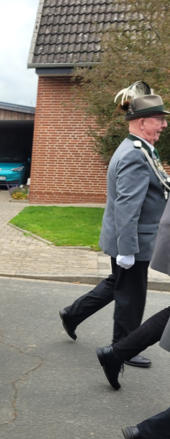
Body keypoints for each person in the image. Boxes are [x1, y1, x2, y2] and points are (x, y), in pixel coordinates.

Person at [59, 85, 170, 368]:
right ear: (142, 122)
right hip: (133, 240)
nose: (164, 125)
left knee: (118, 284)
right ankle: (123, 349)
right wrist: (127, 249)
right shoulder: (135, 154)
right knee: (131, 296)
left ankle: (73, 314)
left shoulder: (141, 149)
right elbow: (127, 207)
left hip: (133, 238)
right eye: (159, 119)